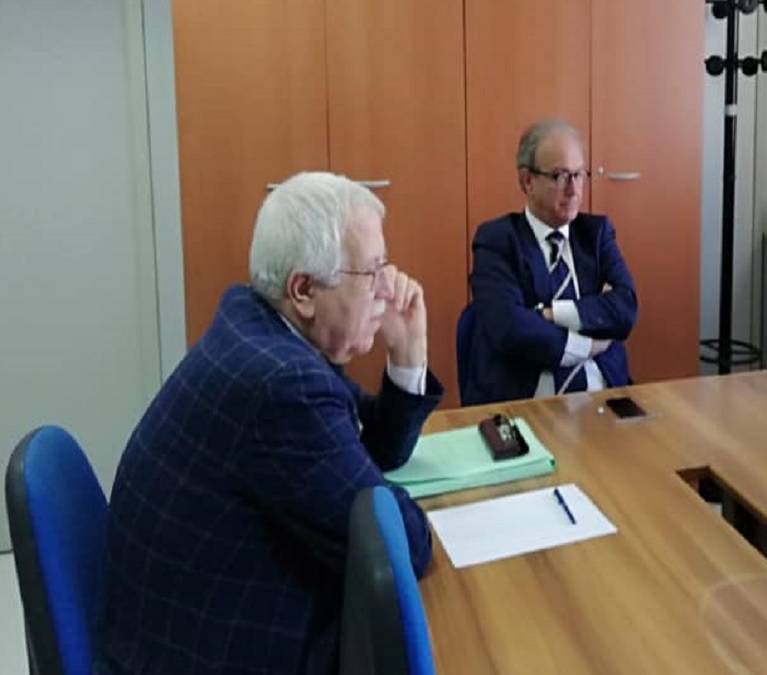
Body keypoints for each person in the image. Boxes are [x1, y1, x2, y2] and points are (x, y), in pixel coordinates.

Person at [95, 172, 443, 674]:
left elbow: (377, 447)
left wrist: (408, 354)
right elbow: (401, 547)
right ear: (303, 290)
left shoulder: (258, 327)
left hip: (171, 628)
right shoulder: (282, 385)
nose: (387, 290)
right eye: (372, 272)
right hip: (211, 652)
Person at [462, 119, 637, 405]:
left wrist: (549, 314)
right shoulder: (497, 240)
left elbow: (626, 310)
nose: (573, 189)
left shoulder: (596, 234)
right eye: (559, 176)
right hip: (526, 403)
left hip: (605, 396)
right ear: (527, 181)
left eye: (579, 175)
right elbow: (510, 329)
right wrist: (588, 344)